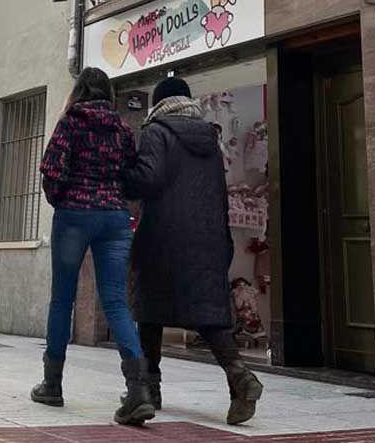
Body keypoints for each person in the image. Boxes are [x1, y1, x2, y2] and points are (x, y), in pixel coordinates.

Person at [125, 77, 264, 425]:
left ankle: (149, 387)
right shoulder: (209, 139)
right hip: (208, 237)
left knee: (149, 310)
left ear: (159, 103)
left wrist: (123, 173)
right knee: (208, 313)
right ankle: (240, 377)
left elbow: (149, 179)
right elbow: (220, 192)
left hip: (164, 235)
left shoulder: (156, 132)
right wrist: (224, 240)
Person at [29, 67, 155, 427]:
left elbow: (52, 168)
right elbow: (131, 173)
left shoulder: (72, 120)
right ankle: (138, 391)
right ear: (109, 93)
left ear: (80, 90)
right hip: (114, 218)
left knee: (62, 299)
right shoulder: (121, 128)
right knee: (116, 301)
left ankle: (52, 384)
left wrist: (63, 201)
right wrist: (114, 197)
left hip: (74, 215)